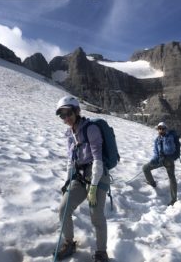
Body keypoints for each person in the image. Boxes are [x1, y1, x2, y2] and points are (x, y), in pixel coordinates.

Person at [53, 96, 110, 261]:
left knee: (96, 215)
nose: (66, 118)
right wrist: (68, 181)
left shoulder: (90, 129)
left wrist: (93, 186)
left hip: (97, 175)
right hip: (79, 176)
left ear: (77, 111)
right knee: (63, 209)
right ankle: (69, 243)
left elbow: (98, 160)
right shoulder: (70, 134)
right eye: (62, 115)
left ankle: (101, 252)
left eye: (68, 113)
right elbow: (71, 161)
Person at [142, 122, 178, 205]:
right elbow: (155, 151)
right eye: (159, 128)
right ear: (157, 129)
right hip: (159, 160)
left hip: (169, 160)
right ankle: (152, 183)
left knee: (171, 178)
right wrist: (154, 159)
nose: (161, 130)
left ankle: (174, 199)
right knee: (145, 168)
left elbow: (171, 150)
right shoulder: (157, 139)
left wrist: (165, 140)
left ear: (165, 129)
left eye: (163, 128)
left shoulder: (169, 137)